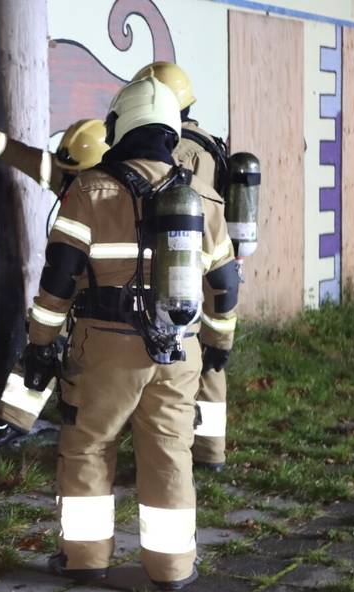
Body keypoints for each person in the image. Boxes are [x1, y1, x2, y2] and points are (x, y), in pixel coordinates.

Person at [24, 77, 240, 590]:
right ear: (170, 129)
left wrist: (39, 342)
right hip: (178, 350)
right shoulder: (204, 197)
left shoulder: (89, 190)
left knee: (88, 447)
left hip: (104, 348)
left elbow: (58, 278)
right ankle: (171, 566)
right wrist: (218, 345)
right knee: (169, 452)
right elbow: (226, 286)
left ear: (120, 126)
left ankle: (85, 558)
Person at [0, 112, 110, 448]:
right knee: (43, 345)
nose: (72, 180)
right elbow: (20, 154)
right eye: (69, 172)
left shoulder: (118, 195)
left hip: (110, 289)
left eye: (78, 173)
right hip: (74, 283)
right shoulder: (69, 176)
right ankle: (11, 424)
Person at [133, 62, 233, 473]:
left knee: (175, 355)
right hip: (218, 260)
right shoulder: (212, 142)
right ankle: (211, 451)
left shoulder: (175, 149)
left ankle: (168, 449)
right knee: (212, 358)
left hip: (180, 266)